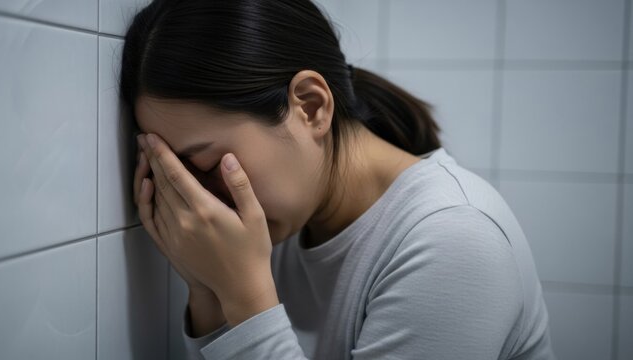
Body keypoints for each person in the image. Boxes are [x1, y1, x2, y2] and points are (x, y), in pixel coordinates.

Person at [122, 0, 556, 359]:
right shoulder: (283, 224)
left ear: (311, 106)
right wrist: (208, 287)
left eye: (208, 161)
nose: (202, 201)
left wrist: (245, 297)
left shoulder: (455, 237)